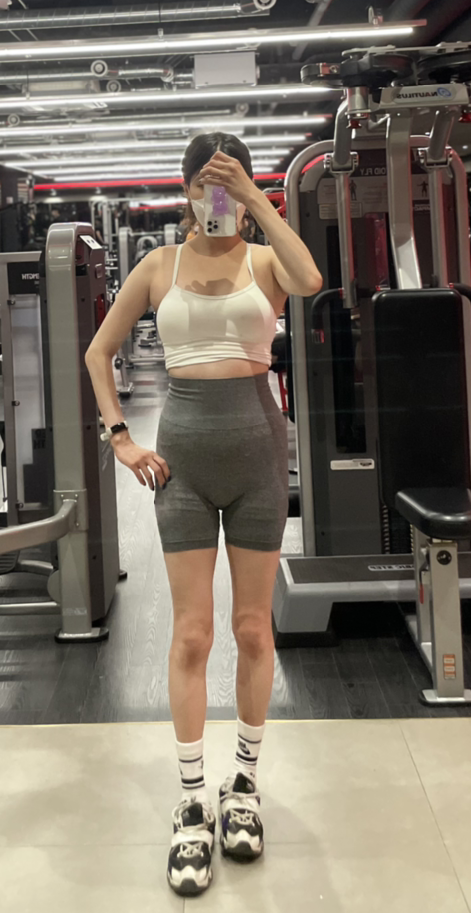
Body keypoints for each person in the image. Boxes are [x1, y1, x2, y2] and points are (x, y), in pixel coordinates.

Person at [85, 132, 321, 896]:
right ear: (185, 191)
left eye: (227, 186)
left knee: (253, 628)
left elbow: (311, 279)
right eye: (205, 186)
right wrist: (120, 436)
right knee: (192, 633)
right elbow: (98, 353)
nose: (215, 201)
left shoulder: (267, 263)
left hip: (257, 456)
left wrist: (256, 199)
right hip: (183, 460)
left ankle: (243, 784)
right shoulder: (159, 266)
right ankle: (191, 800)